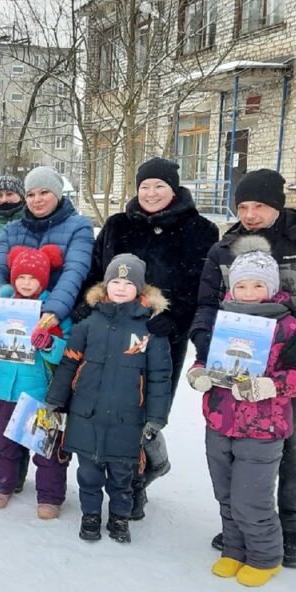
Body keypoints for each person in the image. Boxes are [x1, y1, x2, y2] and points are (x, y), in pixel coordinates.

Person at [190, 169, 296, 568]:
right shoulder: (224, 250)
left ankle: (291, 527)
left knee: (292, 447)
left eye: (259, 206)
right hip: (235, 370)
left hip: (289, 365)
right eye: (242, 206)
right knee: (231, 449)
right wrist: (203, 338)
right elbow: (207, 304)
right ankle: (242, 525)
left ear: (277, 205)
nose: (249, 214)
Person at [81, 157, 219, 519]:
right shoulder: (116, 226)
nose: (151, 193)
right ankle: (118, 476)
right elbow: (97, 273)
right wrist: (88, 308)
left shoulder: (199, 230)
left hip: (161, 338)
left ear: (174, 189)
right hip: (110, 335)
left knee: (145, 413)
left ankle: (136, 482)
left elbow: (201, 287)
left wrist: (175, 319)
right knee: (110, 406)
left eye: (159, 186)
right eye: (145, 186)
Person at [186, 238, 296, 587]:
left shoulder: (289, 327)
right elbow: (207, 358)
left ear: (272, 287)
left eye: (257, 285)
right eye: (241, 285)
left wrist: (273, 386)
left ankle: (264, 557)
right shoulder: (224, 321)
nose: (248, 292)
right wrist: (199, 373)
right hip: (219, 421)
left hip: (263, 427)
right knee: (226, 495)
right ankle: (234, 551)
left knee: (252, 498)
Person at [45, 254, 172, 544]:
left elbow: (159, 376)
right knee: (88, 472)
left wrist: (155, 416)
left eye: (128, 283)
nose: (121, 287)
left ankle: (119, 517)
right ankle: (90, 514)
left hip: (128, 417)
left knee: (122, 475)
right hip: (86, 412)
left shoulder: (150, 329)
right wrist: (56, 399)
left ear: (139, 288)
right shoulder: (88, 323)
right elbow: (68, 363)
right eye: (115, 281)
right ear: (105, 286)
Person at [0, 165, 94, 492]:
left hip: (58, 322)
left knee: (48, 405)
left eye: (44, 192)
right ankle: (8, 477)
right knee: (11, 403)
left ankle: (49, 483)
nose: (37, 199)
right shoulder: (14, 229)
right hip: (15, 324)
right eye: (30, 193)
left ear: (57, 194)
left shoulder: (78, 227)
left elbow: (74, 272)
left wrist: (51, 314)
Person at [0, 245, 70, 517]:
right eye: (21, 277)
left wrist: (49, 343)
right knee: (3, 442)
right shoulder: (2, 308)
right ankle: (2, 485)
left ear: (44, 279)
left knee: (44, 447)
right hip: (6, 390)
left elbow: (68, 351)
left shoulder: (52, 312)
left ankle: (49, 496)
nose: (26, 283)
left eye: (33, 278)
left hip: (40, 391)